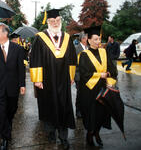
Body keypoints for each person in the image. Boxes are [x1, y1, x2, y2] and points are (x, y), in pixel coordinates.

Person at [30, 9, 77, 150]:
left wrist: (71, 76)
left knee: (64, 105)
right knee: (48, 104)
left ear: (60, 21)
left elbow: (72, 58)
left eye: (58, 20)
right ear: (48, 22)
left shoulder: (67, 37)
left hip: (63, 79)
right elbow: (35, 58)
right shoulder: (40, 37)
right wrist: (37, 79)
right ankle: (50, 131)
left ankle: (63, 136)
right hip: (46, 79)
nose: (55, 23)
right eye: (52, 21)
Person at [0, 24, 26, 150]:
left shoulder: (18, 49)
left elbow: (21, 68)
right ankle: (4, 138)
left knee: (12, 110)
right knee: (2, 113)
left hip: (13, 86)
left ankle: (7, 127)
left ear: (5, 34)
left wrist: (22, 84)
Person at [78, 25, 117, 147]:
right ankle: (89, 135)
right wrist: (100, 75)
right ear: (88, 40)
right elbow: (84, 74)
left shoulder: (104, 52)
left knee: (102, 114)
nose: (98, 42)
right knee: (91, 115)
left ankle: (97, 133)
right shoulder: (84, 55)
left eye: (99, 39)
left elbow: (113, 69)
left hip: (103, 89)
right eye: (95, 39)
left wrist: (108, 75)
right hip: (90, 91)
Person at [74, 32, 88, 118]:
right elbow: (74, 64)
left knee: (86, 94)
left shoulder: (89, 48)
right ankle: (78, 111)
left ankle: (85, 110)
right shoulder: (76, 49)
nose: (87, 39)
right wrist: (76, 77)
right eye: (86, 37)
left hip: (88, 76)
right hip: (79, 76)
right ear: (82, 39)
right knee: (79, 95)